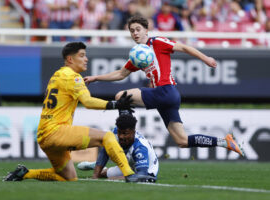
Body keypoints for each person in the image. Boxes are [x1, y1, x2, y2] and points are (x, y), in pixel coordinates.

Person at [84, 15, 245, 157]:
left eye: (138, 29)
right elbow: (121, 73)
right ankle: (224, 142)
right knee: (182, 141)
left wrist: (205, 58)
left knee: (121, 96)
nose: (135, 33)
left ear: (147, 30)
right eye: (132, 31)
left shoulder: (157, 42)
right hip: (167, 96)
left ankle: (125, 142)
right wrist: (95, 77)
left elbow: (183, 47)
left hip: (165, 91)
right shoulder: (138, 53)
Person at [3, 42, 152, 183]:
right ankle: (130, 174)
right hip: (56, 132)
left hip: (44, 136)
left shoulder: (58, 74)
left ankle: (26, 173)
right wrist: (115, 104)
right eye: (81, 55)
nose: (86, 59)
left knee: (69, 177)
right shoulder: (72, 76)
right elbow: (87, 102)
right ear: (70, 59)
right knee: (106, 137)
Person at [77, 114, 158, 182]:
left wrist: (112, 179)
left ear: (133, 131)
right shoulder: (115, 132)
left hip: (146, 171)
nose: (121, 136)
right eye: (119, 132)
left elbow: (141, 176)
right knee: (101, 174)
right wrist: (95, 176)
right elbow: (104, 152)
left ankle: (103, 168)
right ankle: (97, 166)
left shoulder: (140, 147)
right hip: (129, 164)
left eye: (125, 133)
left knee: (138, 180)